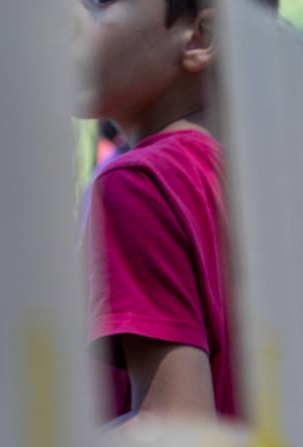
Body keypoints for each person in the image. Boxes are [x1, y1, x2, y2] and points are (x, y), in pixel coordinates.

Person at [75, 0, 274, 424]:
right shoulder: (272, 184)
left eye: (99, 2)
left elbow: (174, 428)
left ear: (200, 38)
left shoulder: (138, 183)